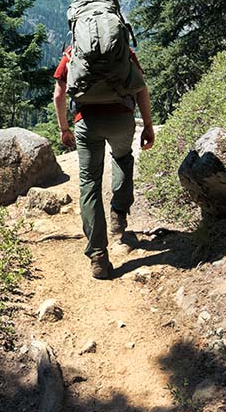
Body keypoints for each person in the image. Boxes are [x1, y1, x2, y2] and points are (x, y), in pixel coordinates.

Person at [53, 42, 155, 279]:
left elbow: (59, 94)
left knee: (89, 182)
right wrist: (148, 125)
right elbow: (141, 88)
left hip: (87, 122)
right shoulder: (124, 51)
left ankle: (98, 255)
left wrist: (64, 128)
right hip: (121, 119)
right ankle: (118, 215)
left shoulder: (72, 52)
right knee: (122, 159)